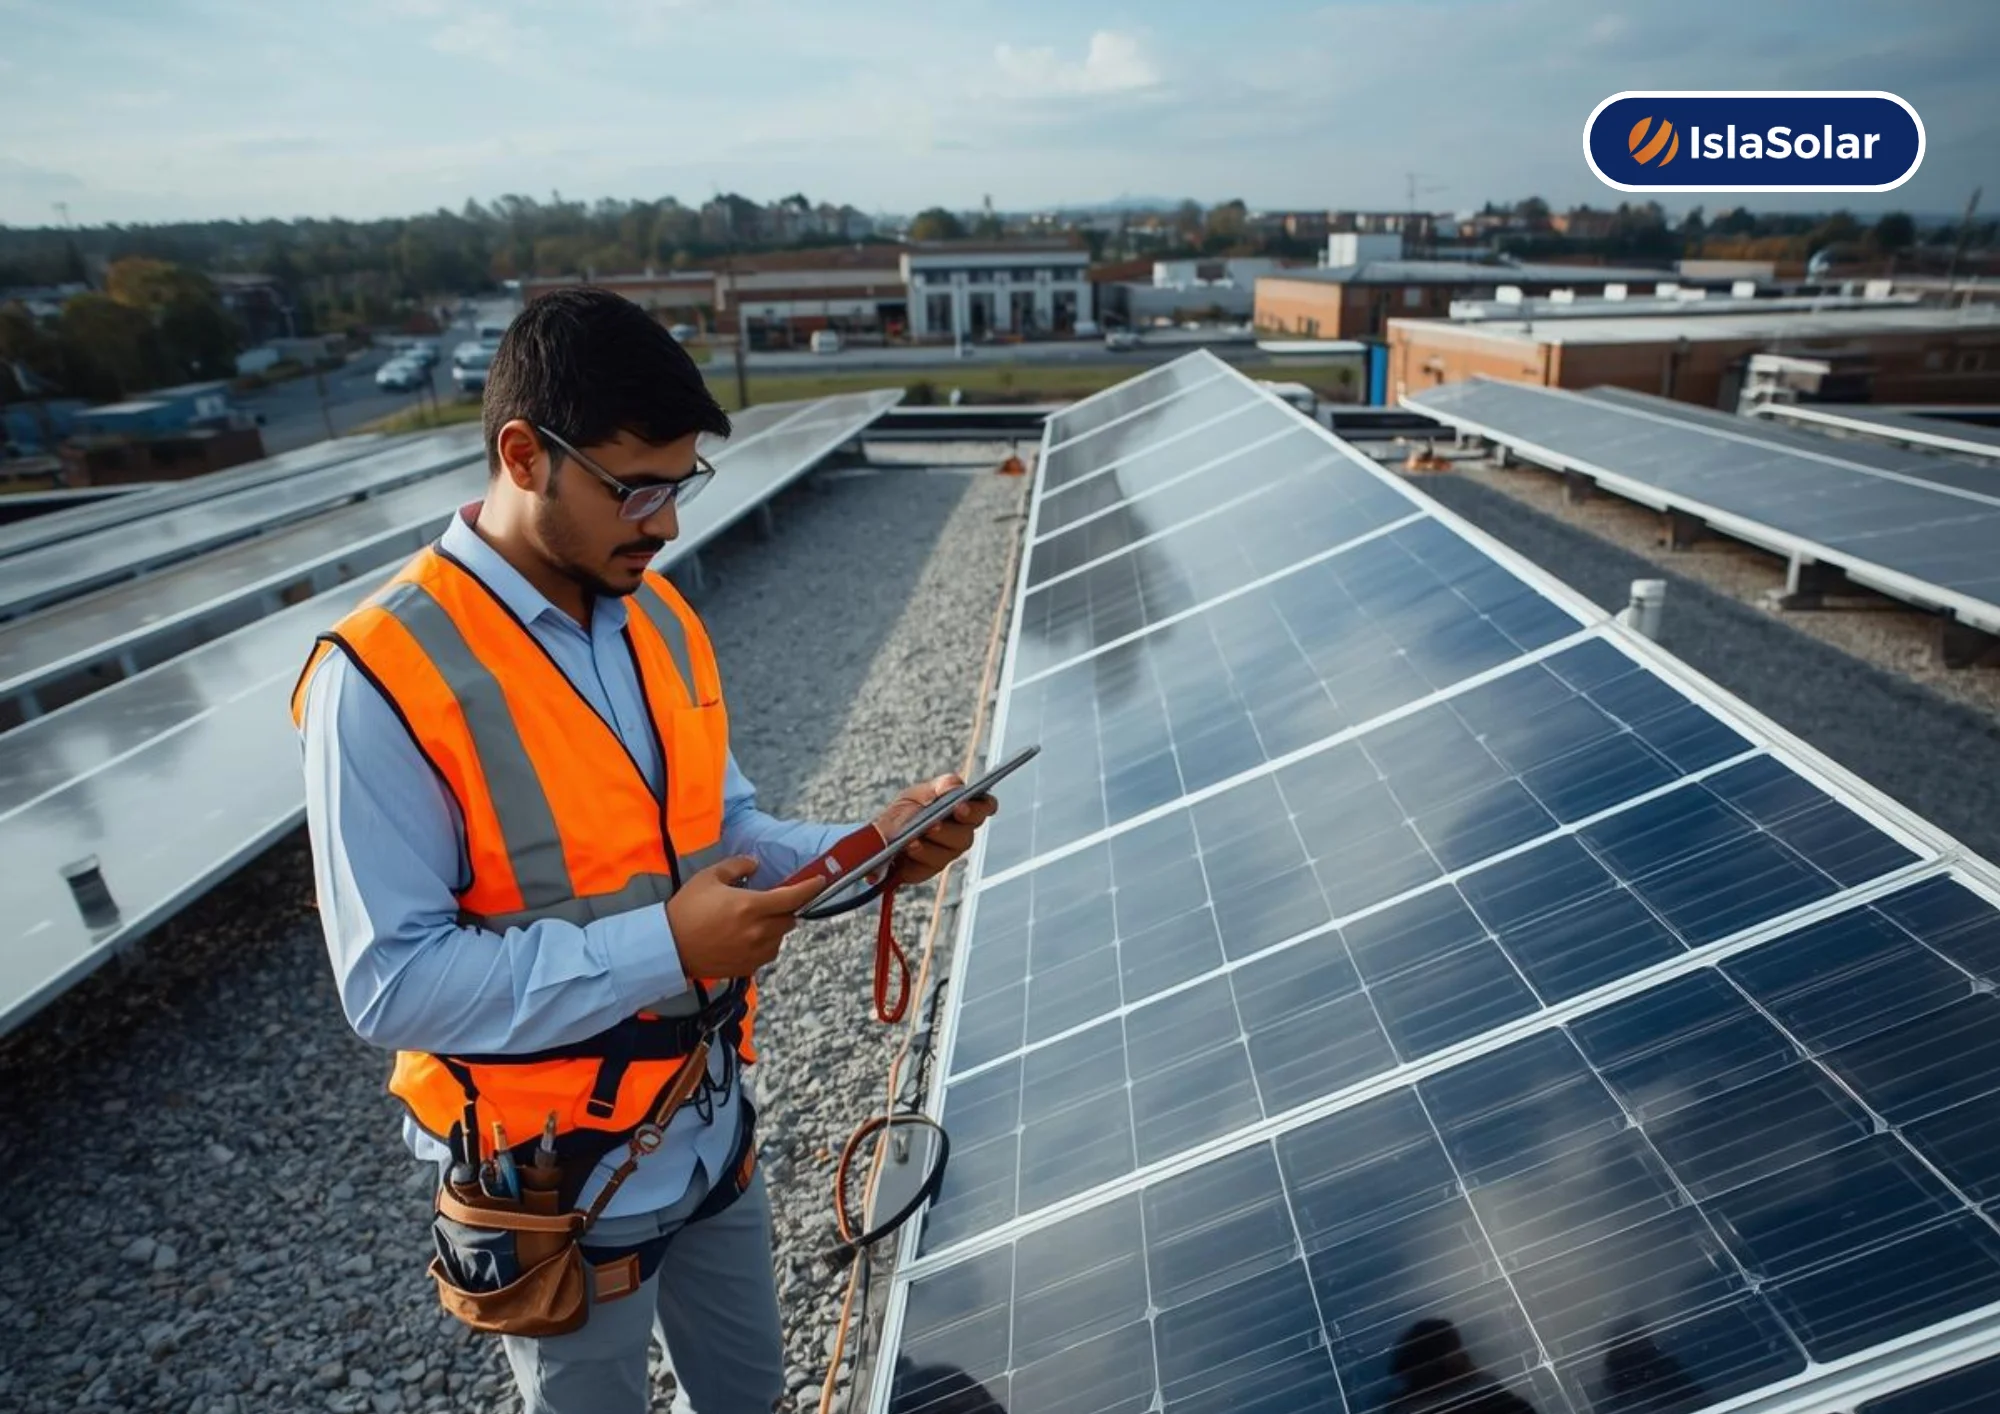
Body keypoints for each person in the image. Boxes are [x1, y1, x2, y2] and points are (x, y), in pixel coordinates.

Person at [293, 287, 995, 1413]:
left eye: (680, 485)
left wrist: (868, 853)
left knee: (750, 1397)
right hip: (554, 1183)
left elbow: (727, 837)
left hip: (709, 1126)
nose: (665, 522)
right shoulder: (379, 679)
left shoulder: (657, 620)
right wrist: (668, 944)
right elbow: (391, 984)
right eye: (636, 488)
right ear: (524, 455)